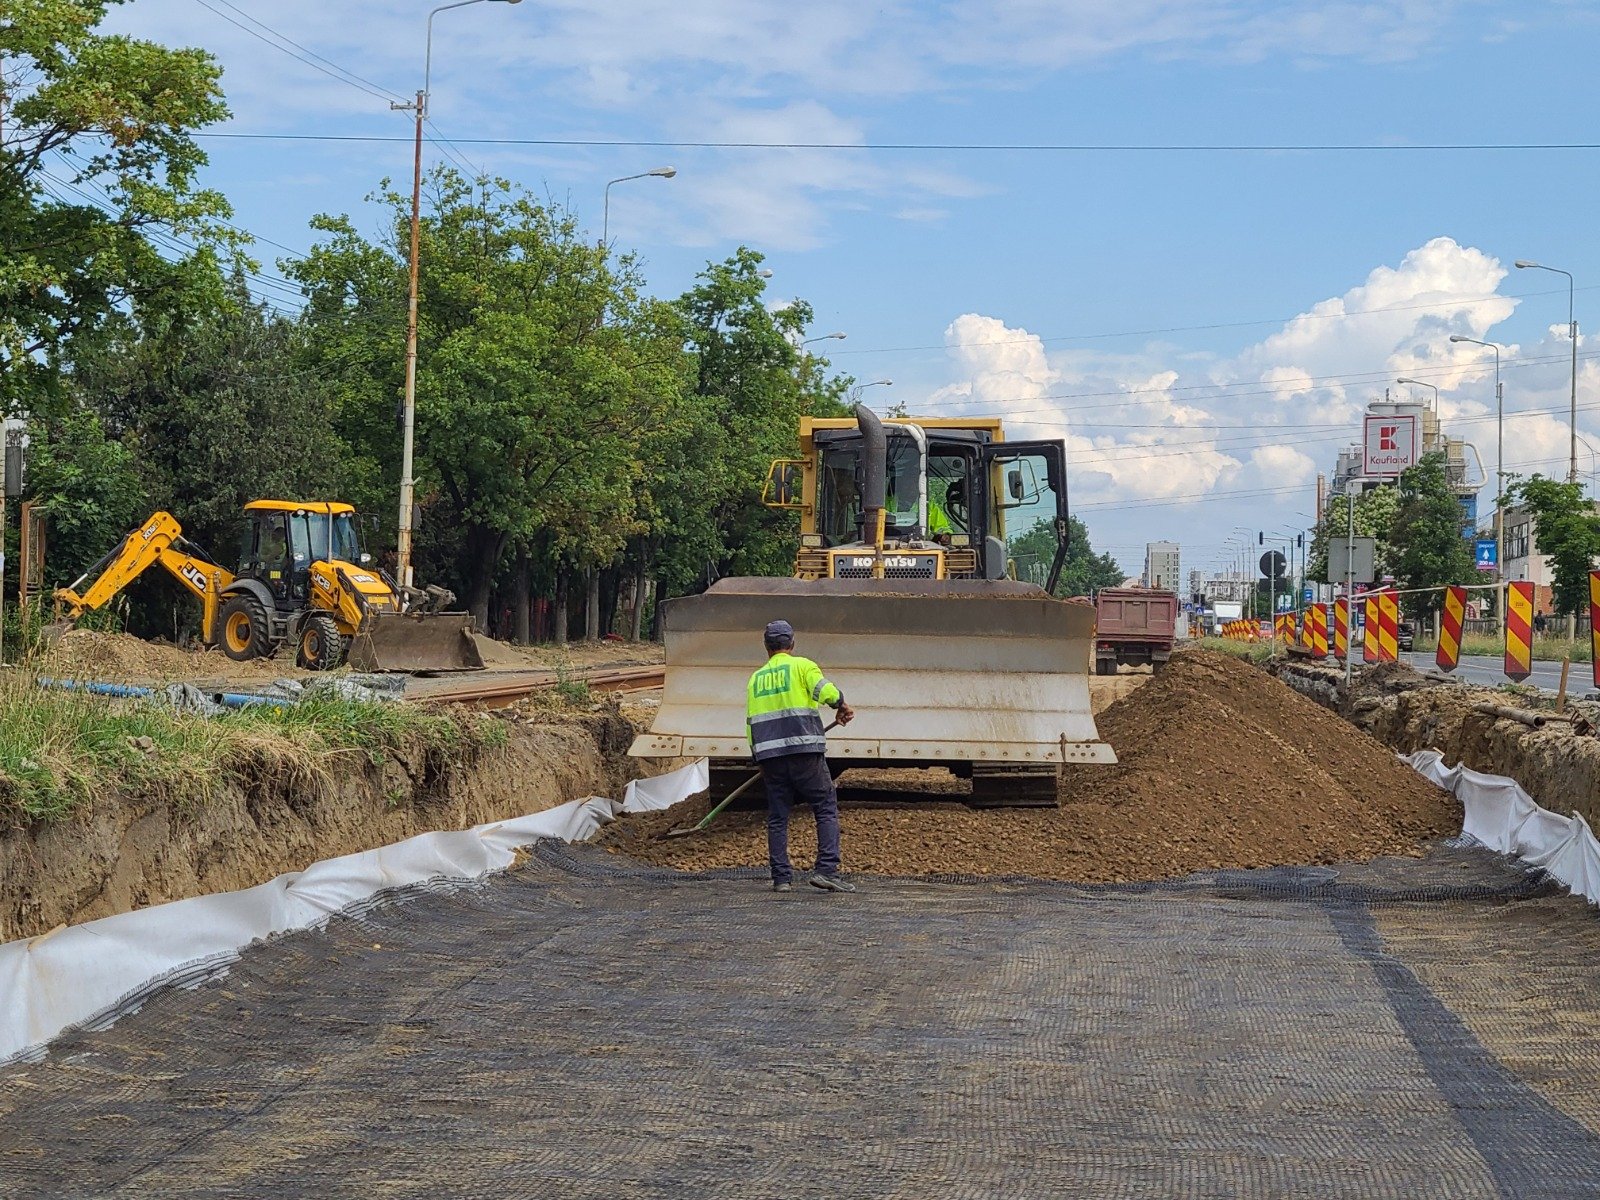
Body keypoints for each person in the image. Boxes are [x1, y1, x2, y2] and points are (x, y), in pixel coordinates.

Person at [746, 619, 856, 893]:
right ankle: (827, 870)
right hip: (805, 753)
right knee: (825, 806)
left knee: (778, 816)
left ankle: (781, 878)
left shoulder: (756, 679)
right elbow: (825, 692)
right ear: (792, 644)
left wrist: (757, 757)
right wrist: (841, 704)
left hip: (770, 757)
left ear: (766, 647)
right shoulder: (802, 666)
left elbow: (751, 723)